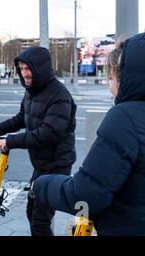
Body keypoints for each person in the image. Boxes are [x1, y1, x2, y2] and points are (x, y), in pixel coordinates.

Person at [32, 33, 145, 235]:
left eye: (111, 77)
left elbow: (86, 195)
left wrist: (41, 184)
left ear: (127, 77)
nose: (110, 85)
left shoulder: (125, 117)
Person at [0, 46, 77, 236]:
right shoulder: (32, 92)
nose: (24, 73)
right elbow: (21, 118)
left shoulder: (60, 96)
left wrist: (10, 141)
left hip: (57, 165)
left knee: (40, 220)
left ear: (40, 68)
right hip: (41, 165)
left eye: (28, 69)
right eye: (22, 69)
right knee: (31, 212)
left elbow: (49, 133)